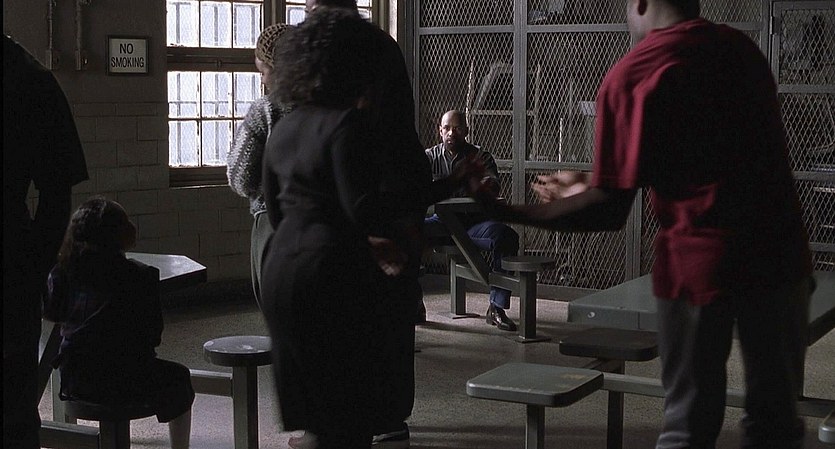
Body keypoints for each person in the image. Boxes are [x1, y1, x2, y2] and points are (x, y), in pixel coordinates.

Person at [472, 1, 814, 447]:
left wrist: (504, 211)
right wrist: (596, 183)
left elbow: (608, 211)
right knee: (776, 423)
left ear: (641, 3)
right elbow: (710, 162)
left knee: (687, 427)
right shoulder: (741, 50)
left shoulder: (635, 74)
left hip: (699, 267)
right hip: (780, 258)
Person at [44, 197, 195, 449]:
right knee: (179, 377)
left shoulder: (62, 273)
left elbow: (51, 312)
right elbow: (152, 335)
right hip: (127, 380)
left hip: (76, 378)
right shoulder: (140, 276)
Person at [3, 35, 89, 449]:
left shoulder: (28, 78)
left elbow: (57, 197)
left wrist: (29, 270)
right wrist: (32, 269)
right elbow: (57, 195)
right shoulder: (29, 77)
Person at [424, 110, 521, 332]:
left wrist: (482, 186)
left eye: (457, 128)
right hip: (441, 223)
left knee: (506, 236)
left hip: (474, 224)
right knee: (406, 231)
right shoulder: (429, 157)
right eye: (447, 128)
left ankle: (496, 307)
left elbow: (492, 186)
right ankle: (414, 302)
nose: (451, 133)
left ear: (466, 131)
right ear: (440, 131)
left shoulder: (480, 156)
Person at [227, 23, 294, 308]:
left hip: (272, 221)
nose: (263, 80)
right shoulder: (329, 106)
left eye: (263, 71)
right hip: (323, 220)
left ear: (276, 69)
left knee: (276, 306)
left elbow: (240, 178)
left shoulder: (266, 110)